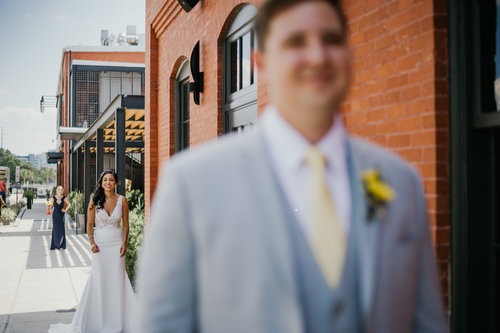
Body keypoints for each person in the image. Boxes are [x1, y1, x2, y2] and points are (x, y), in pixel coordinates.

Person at [137, 0, 448, 332]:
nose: (317, 56)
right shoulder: (191, 186)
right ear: (261, 63)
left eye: (330, 40)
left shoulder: (400, 182)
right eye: (296, 42)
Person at [48, 170, 137, 332]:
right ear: (101, 183)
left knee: (118, 279)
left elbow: (126, 224)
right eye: (105, 180)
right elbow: (89, 225)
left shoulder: (122, 201)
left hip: (117, 245)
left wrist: (124, 243)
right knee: (99, 279)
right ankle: (97, 319)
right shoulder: (94, 201)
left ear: (116, 183)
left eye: (111, 180)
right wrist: (91, 242)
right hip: (100, 246)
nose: (108, 183)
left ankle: (122, 319)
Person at [48, 186, 70, 250]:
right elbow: (51, 207)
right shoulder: (53, 198)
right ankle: (55, 245)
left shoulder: (64, 198)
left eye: (61, 190)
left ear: (62, 191)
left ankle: (62, 245)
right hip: (55, 216)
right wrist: (49, 206)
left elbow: (69, 204)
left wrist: (65, 210)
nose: (59, 191)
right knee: (55, 229)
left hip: (61, 215)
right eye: (58, 190)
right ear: (56, 191)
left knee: (61, 229)